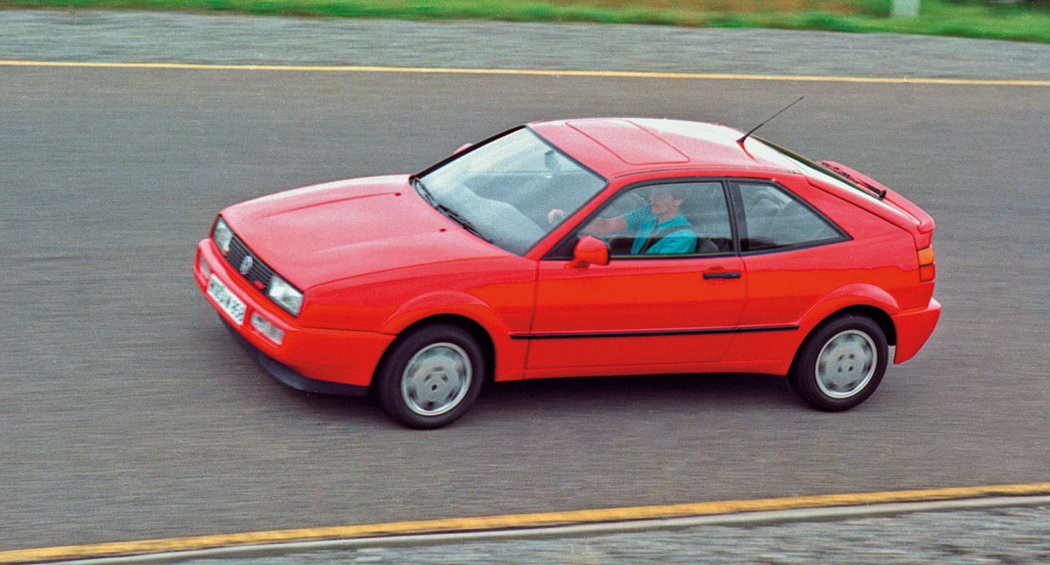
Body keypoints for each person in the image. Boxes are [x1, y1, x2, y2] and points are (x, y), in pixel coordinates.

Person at [550, 186, 697, 255]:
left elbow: (652, 270)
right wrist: (567, 218)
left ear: (678, 200)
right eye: (651, 195)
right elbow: (606, 226)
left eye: (660, 196)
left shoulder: (683, 236)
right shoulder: (647, 212)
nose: (652, 200)